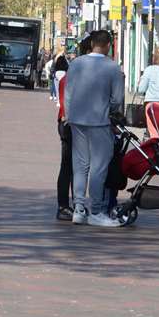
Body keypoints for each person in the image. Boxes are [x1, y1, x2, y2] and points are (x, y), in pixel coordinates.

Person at [64, 29, 125, 227]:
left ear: (91, 44)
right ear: (108, 45)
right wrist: (114, 113)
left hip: (77, 119)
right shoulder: (112, 67)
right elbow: (117, 99)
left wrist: (69, 115)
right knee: (99, 167)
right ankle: (96, 210)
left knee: (80, 165)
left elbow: (68, 92)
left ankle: (79, 208)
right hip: (100, 120)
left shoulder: (76, 63)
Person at [53, 37, 80, 221]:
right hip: (70, 124)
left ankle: (67, 205)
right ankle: (67, 205)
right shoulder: (73, 80)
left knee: (69, 166)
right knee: (71, 166)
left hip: (66, 123)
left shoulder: (69, 78)